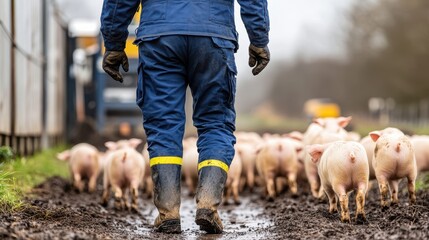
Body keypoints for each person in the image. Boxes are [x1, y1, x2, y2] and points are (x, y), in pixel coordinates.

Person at [100, 0, 270, 234]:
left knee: (163, 125)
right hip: (213, 36)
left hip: (159, 37)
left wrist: (114, 43)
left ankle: (168, 212)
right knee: (216, 123)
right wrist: (259, 39)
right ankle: (208, 204)